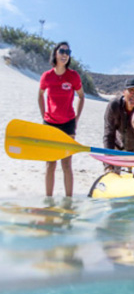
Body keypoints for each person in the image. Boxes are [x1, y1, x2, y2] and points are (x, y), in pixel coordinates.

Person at [37, 41, 85, 197]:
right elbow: (40, 95)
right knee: (50, 164)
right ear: (55, 53)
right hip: (50, 123)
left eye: (68, 52)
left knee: (66, 164)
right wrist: (44, 114)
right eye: (62, 51)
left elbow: (82, 96)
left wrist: (76, 118)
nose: (65, 54)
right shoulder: (47, 76)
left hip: (68, 124)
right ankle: (48, 200)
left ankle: (68, 201)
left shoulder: (73, 76)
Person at [103, 76, 134, 160]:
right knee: (111, 171)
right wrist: (108, 164)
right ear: (124, 92)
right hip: (117, 148)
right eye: (131, 91)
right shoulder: (114, 105)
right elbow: (108, 134)